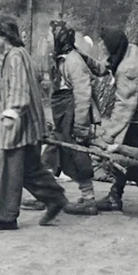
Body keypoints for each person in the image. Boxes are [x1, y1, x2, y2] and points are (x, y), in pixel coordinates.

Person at [0, 15, 67, 231]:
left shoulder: (15, 58)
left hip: (19, 126)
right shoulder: (19, 54)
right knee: (30, 169)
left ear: (5, 35)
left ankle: (5, 218)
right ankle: (55, 198)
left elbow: (19, 92)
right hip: (30, 125)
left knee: (8, 170)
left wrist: (8, 118)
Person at [84, 27, 138, 212]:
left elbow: (125, 108)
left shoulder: (128, 69)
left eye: (104, 43)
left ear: (112, 46)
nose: (101, 45)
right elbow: (104, 67)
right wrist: (84, 58)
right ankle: (115, 196)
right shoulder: (129, 49)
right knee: (124, 158)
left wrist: (108, 136)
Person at [46, 22, 99, 216]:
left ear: (59, 39)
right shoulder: (63, 58)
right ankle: (46, 195)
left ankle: (89, 200)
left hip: (72, 116)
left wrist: (79, 126)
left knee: (77, 155)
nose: (47, 40)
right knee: (51, 153)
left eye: (50, 36)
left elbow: (83, 94)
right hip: (63, 116)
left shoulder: (73, 61)